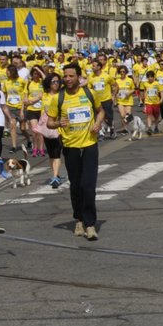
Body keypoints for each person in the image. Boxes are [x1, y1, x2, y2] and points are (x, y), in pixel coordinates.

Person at [47, 62, 104, 240]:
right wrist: (58, 123)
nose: (67, 79)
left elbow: (101, 111)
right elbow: (49, 122)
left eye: (71, 76)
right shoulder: (59, 98)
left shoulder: (89, 93)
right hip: (70, 146)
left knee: (88, 185)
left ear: (79, 77)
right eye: (65, 76)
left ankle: (90, 224)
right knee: (76, 185)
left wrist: (97, 123)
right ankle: (78, 218)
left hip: (89, 145)